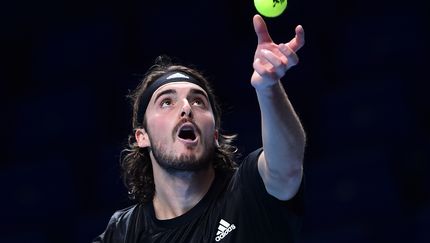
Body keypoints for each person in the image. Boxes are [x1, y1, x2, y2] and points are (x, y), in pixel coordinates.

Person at [93, 14, 306, 243]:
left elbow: (286, 169)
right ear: (142, 136)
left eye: (198, 101)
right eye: (166, 102)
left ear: (215, 135)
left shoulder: (247, 193)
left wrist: (268, 88)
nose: (186, 108)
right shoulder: (124, 232)